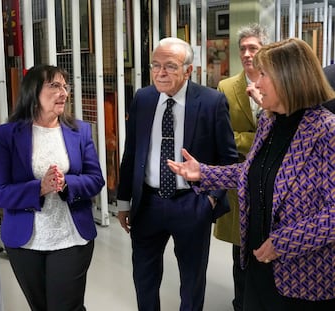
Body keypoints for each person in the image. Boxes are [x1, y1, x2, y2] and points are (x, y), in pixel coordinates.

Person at [167, 38, 335, 311]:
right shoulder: (270, 121)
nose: (255, 84)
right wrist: (204, 173)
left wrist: (283, 243)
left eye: (263, 75)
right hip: (257, 261)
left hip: (302, 275)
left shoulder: (326, 131)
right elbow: (253, 172)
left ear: (289, 78)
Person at [116, 37, 238, 311]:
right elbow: (132, 153)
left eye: (170, 66)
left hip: (192, 202)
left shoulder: (212, 102)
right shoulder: (143, 99)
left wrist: (211, 200)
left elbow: (228, 160)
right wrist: (124, 202)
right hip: (147, 203)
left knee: (192, 280)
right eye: (155, 66)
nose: (160, 73)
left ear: (188, 70)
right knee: (144, 277)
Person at [0, 65, 105, 311]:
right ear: (33, 92)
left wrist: (67, 183)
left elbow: (96, 179)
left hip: (71, 237)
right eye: (54, 86)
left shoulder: (79, 131)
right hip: (25, 242)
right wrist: (38, 189)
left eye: (65, 86)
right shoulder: (9, 134)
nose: (63, 92)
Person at [215, 23, 269, 311]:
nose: (247, 54)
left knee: (268, 250)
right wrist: (261, 139)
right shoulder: (226, 87)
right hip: (239, 182)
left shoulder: (279, 82)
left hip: (273, 182)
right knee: (240, 255)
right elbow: (224, 137)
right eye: (243, 49)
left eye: (253, 48)